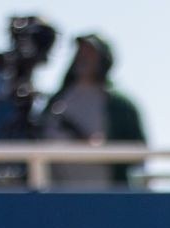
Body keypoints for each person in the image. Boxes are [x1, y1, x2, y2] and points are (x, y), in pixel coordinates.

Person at [41, 33, 146, 188]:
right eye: (80, 52)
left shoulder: (119, 105)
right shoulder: (57, 100)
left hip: (104, 192)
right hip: (58, 192)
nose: (83, 58)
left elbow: (139, 154)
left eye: (90, 53)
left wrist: (104, 146)